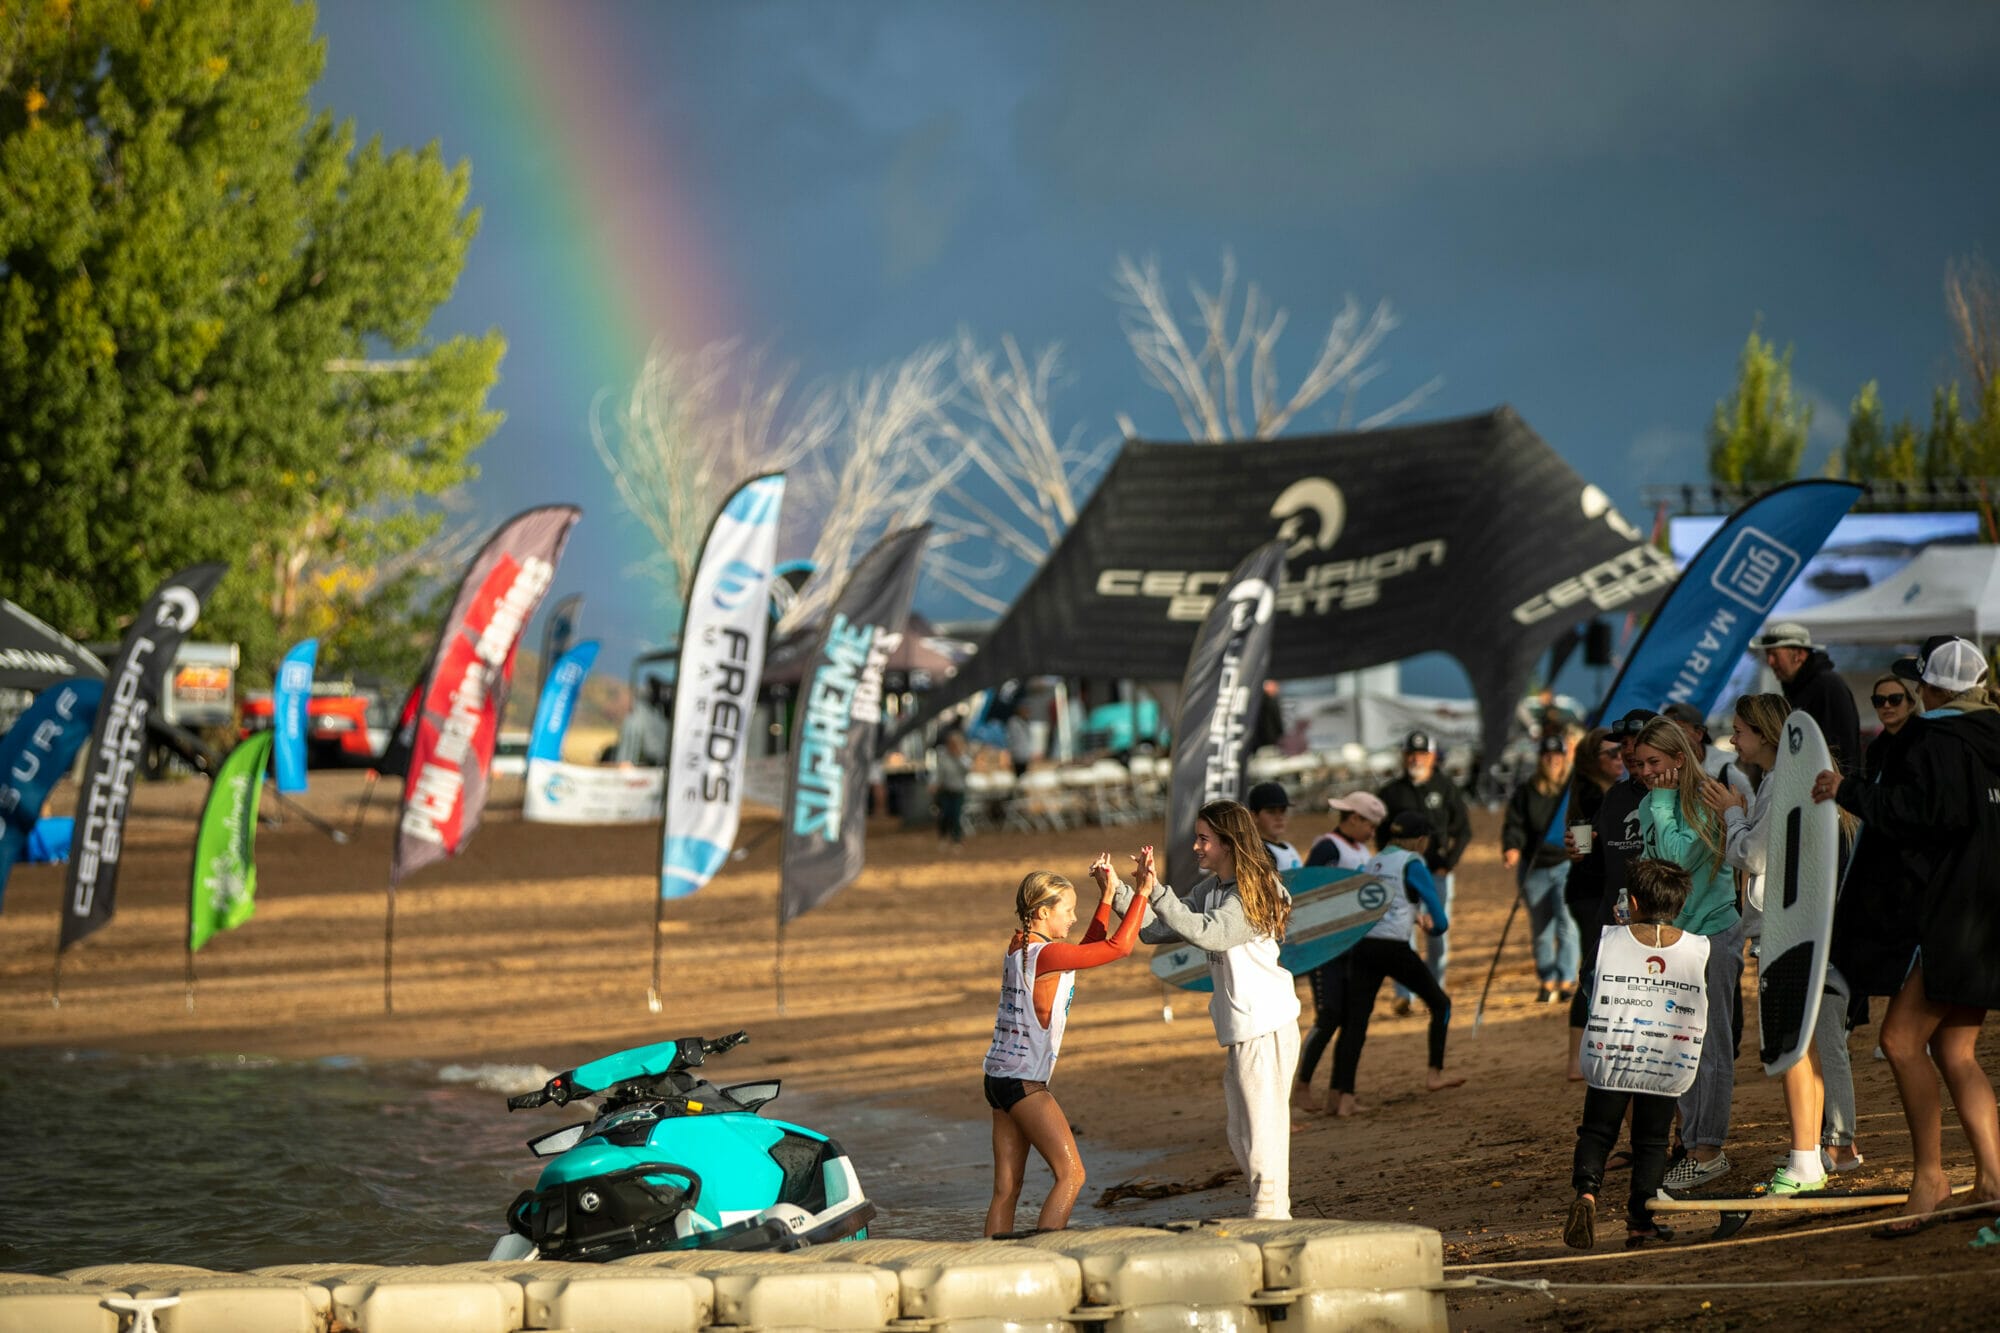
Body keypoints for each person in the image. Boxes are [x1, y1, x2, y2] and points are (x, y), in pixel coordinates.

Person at [1812, 635, 2000, 1233]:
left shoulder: (1939, 739)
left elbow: (1920, 815)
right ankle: (1993, 1181)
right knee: (1955, 1050)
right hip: (1991, 913)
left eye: (1921, 686)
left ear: (1935, 689)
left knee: (1899, 1041)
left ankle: (1930, 1178)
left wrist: (1846, 790)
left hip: (1952, 914)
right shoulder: (1994, 735)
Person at [1701, 692, 1861, 1194]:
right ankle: (1812, 1152)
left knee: (1792, 1049)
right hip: (1797, 925)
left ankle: (1806, 1160)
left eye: (1740, 731)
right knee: (1808, 1046)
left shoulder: (1779, 784)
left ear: (1767, 736)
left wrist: (1732, 813)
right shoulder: (1781, 781)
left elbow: (1753, 855)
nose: (1732, 740)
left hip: (1784, 929)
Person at [1115, 804, 1300, 1218]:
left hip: (1266, 1022)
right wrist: (1121, 891)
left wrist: (1159, 891)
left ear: (1229, 844)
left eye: (1204, 839)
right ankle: (1268, 1213)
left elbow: (1212, 934)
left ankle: (1271, 1217)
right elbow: (1157, 929)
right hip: (1243, 1026)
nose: (1196, 847)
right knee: (1240, 1132)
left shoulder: (1256, 889)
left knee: (1262, 1132)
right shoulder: (1215, 887)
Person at [982, 856, 1147, 1236]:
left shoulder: (1020, 946)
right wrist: (1140, 893)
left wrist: (1107, 897)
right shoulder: (1048, 955)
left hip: (997, 1078)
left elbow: (1084, 951)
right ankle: (1047, 1256)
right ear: (1041, 912)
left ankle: (988, 1264)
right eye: (1068, 910)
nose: (1073, 918)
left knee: (1006, 1189)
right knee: (1072, 1174)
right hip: (1025, 1084)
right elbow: (1118, 948)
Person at [1563, 858, 1708, 1250]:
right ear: (1679, 906)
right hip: (1666, 1060)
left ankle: (1587, 1194)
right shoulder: (1697, 948)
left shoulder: (1611, 938)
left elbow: (1588, 982)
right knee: (1651, 1141)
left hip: (1612, 1053)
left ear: (1634, 902)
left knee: (1596, 1131)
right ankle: (1640, 1223)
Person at [1628, 716, 1743, 1190]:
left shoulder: (1705, 799)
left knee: (1710, 1048)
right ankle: (1690, 1143)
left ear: (1680, 758)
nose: (1645, 772)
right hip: (1672, 939)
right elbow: (1649, 867)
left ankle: (1708, 1150)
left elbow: (1675, 861)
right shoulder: (1650, 800)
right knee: (1680, 1050)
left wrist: (1660, 800)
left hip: (1712, 935)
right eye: (1638, 764)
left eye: (1654, 762)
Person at [1328, 808, 1464, 1116]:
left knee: (1355, 1022)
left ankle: (1342, 1097)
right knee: (1440, 1004)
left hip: (1364, 946)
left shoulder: (1372, 861)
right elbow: (1440, 919)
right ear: (1419, 841)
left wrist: (1410, 914)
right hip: (1394, 948)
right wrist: (1432, 925)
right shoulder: (1413, 862)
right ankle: (1434, 1074)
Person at [1564, 711, 1653, 1075]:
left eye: (1634, 744)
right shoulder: (1613, 797)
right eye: (1622, 747)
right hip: (1611, 916)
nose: (1627, 753)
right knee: (1597, 985)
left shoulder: (1684, 793)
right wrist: (1580, 853)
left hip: (1669, 924)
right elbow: (1598, 860)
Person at [1294, 791, 1386, 1114]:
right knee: (1330, 1014)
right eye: (1370, 825)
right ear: (1355, 818)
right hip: (1325, 947)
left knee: (1350, 1017)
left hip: (1352, 947)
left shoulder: (1361, 849)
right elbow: (1307, 889)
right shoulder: (1328, 847)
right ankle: (1301, 1085)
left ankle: (1340, 1092)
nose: (1372, 832)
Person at [1377, 730, 1472, 1011]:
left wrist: (1448, 862)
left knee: (1437, 934)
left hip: (1435, 873)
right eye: (1410, 754)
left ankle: (1434, 991)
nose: (1415, 759)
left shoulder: (1446, 788)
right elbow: (1380, 835)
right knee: (1402, 933)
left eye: (1421, 754)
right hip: (1401, 877)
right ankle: (1403, 995)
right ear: (1403, 756)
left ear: (1432, 757)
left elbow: (1464, 830)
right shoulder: (1390, 793)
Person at [1502, 732, 1581, 1005]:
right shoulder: (1527, 791)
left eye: (1557, 755)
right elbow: (1514, 825)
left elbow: (1582, 819)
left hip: (1566, 865)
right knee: (1541, 930)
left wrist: (1583, 855)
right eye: (1547, 755)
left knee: (1567, 925)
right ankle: (1547, 979)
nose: (1552, 760)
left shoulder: (1573, 790)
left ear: (1564, 757)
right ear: (1540, 759)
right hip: (1534, 867)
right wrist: (1511, 847)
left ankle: (1567, 978)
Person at [1750, 621, 1862, 779]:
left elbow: (1841, 748)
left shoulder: (1827, 685)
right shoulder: (1796, 689)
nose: (1770, 662)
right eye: (1768, 655)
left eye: (1774, 654)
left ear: (1799, 655)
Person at [1247, 781, 1301, 871]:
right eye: (1271, 812)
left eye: (1282, 811)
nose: (1279, 817)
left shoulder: (1288, 847)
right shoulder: (1258, 853)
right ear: (1254, 816)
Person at [933, 729, 970, 848]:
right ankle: (943, 837)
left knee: (956, 815)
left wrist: (958, 757)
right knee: (944, 815)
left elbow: (967, 769)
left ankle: (956, 840)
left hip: (958, 791)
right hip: (945, 791)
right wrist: (934, 784)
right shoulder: (943, 758)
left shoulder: (964, 758)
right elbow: (937, 774)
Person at [1006, 707, 1037, 781]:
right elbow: (1012, 738)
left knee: (1023, 775)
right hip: (1017, 754)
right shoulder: (1014, 722)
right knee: (1018, 773)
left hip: (1024, 754)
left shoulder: (1025, 722)